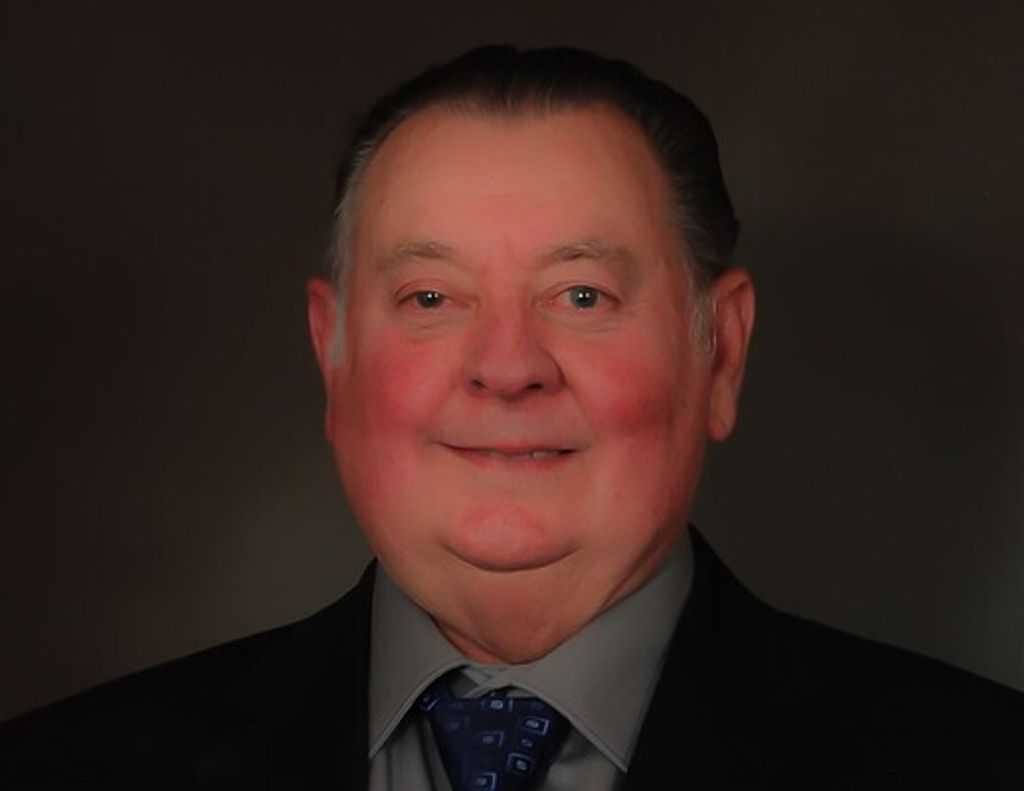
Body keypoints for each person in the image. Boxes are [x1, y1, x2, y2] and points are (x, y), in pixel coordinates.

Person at [2, 45, 1022, 790]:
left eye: (580, 295)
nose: (506, 367)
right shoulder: (59, 768)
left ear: (722, 351)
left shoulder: (979, 762)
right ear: (333, 356)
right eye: (429, 297)